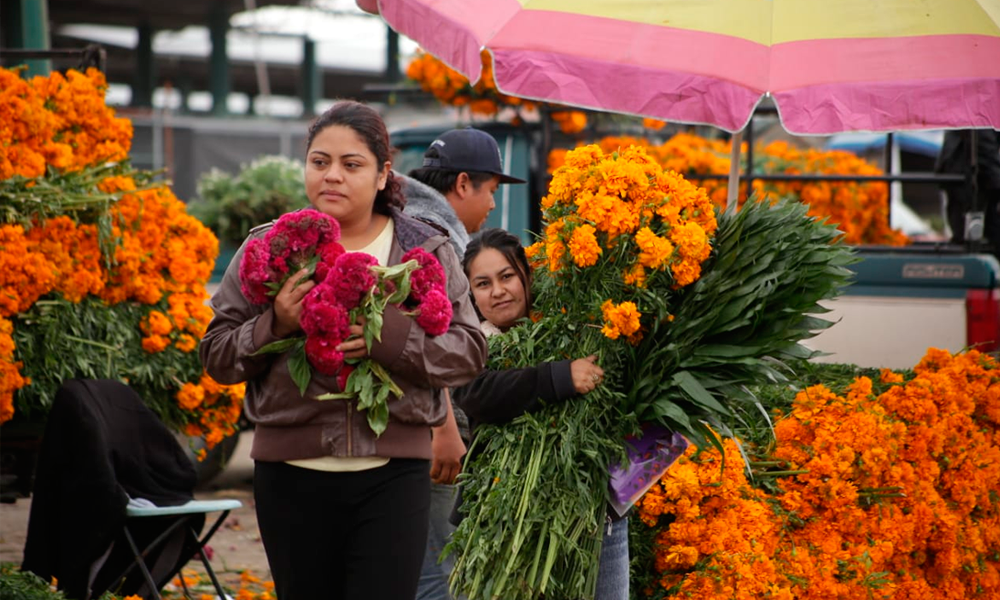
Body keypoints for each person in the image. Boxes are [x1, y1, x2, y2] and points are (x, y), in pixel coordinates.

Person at [200, 100, 488, 600]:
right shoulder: (268, 249)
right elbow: (218, 357)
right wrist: (274, 325)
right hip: (288, 477)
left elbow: (467, 352)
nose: (332, 176)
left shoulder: (424, 249)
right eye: (319, 161)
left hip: (393, 476)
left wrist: (393, 341)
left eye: (351, 164)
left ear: (382, 175)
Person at [451, 228, 629, 600]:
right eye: (482, 284)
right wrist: (559, 376)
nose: (498, 291)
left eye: (507, 276)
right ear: (470, 292)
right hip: (507, 522)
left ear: (527, 277)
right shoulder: (471, 343)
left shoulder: (575, 328)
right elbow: (478, 394)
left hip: (593, 513)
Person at [399, 128, 525, 600]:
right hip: (427, 429)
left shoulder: (411, 223)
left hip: (412, 427)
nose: (492, 205)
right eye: (491, 190)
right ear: (464, 183)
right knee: (437, 576)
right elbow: (424, 344)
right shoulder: (432, 238)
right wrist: (444, 428)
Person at [935, 129, 1000, 251]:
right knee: (971, 239)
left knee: (968, 239)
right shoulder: (981, 118)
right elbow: (985, 150)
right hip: (968, 179)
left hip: (967, 176)